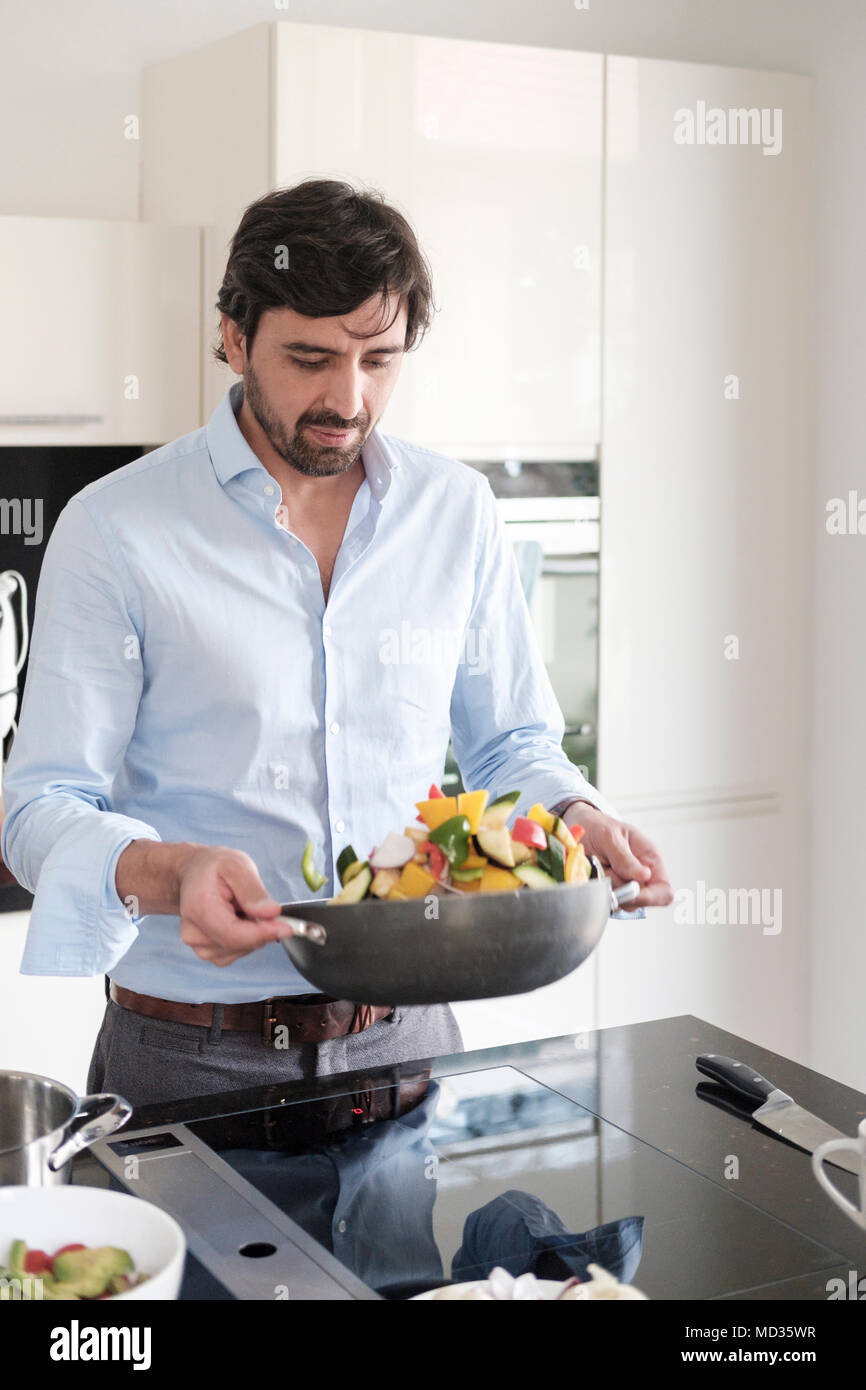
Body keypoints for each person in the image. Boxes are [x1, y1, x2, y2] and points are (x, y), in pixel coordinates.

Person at [0, 179, 672, 1108]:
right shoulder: (117, 528)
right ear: (234, 338)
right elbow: (39, 807)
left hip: (405, 1039)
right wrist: (173, 870)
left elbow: (509, 744)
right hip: (191, 1055)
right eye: (310, 357)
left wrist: (577, 819)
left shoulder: (456, 511)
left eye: (379, 360)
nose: (346, 400)